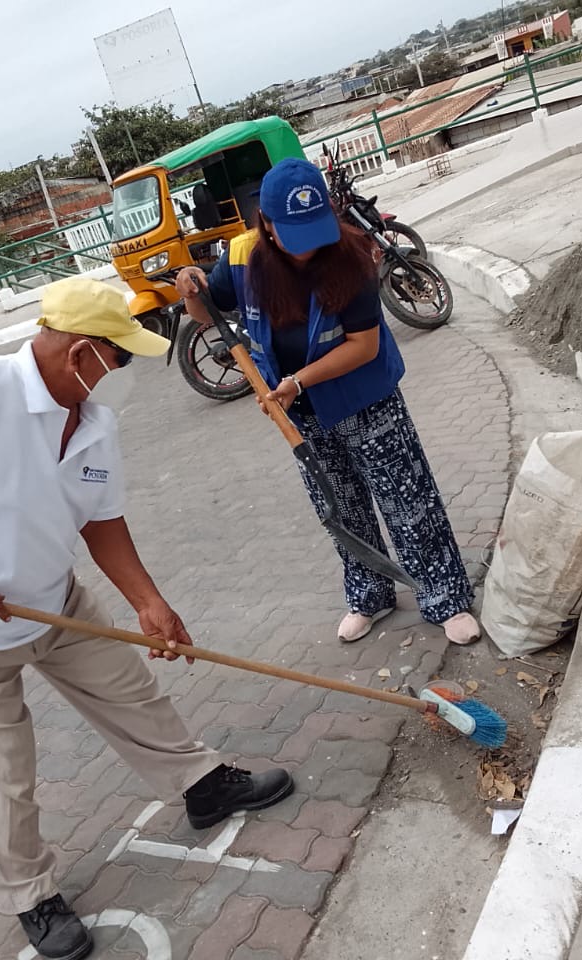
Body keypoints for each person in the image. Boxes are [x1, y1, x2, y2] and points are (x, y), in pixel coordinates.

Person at [0, 276, 293, 960]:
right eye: (122, 357)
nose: (127, 372)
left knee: (132, 694)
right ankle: (29, 896)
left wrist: (148, 601)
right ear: (81, 352)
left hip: (54, 599)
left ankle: (202, 786)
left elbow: (101, 521)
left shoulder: (94, 418)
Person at [176, 157, 481, 647]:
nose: (308, 249)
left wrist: (298, 381)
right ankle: (370, 595)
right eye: (293, 236)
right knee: (339, 506)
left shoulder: (351, 255)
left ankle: (445, 598)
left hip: (365, 400)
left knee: (408, 502)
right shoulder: (241, 258)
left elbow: (363, 345)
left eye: (314, 231)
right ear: (265, 223)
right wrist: (191, 286)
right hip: (302, 413)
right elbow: (206, 312)